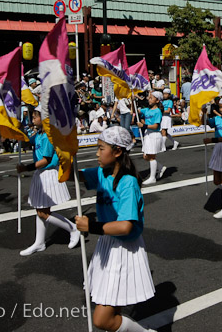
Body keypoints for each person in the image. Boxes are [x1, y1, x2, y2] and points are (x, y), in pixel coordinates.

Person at [76, 126, 156, 332]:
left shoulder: (128, 182)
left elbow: (125, 226)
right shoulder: (103, 173)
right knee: (112, 309)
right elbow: (73, 177)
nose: (97, 153)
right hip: (108, 243)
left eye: (101, 148)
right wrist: (65, 155)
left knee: (102, 320)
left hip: (124, 248)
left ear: (118, 151)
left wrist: (90, 226)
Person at [16, 106, 79, 256]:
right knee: (40, 210)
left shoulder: (49, 136)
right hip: (41, 174)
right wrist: (17, 131)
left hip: (48, 173)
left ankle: (72, 228)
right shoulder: (39, 134)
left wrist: (26, 168)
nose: (32, 119)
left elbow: (46, 160)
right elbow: (26, 140)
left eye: (35, 117)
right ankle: (40, 242)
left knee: (43, 212)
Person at [138, 92, 167, 185]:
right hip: (147, 134)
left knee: (151, 157)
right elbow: (137, 110)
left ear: (157, 100)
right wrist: (132, 99)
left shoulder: (158, 111)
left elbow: (155, 126)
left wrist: (144, 125)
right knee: (146, 156)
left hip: (154, 135)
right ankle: (161, 167)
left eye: (151, 98)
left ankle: (152, 177)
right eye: (149, 98)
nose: (149, 99)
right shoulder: (147, 110)